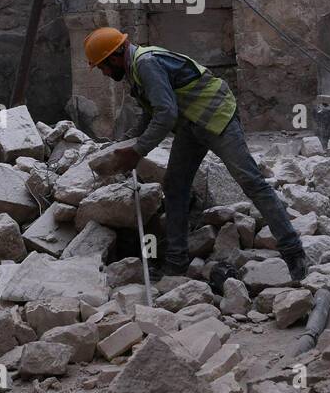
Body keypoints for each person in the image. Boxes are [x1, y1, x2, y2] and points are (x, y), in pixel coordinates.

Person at [84, 27, 308, 281]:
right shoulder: (135, 70)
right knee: (176, 186)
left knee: (251, 181)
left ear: (115, 56)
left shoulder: (145, 64)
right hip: (191, 122)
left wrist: (137, 152)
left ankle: (294, 253)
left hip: (215, 115)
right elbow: (150, 113)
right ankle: (176, 262)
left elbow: (165, 114)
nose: (103, 72)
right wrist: (122, 145)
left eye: (102, 66)